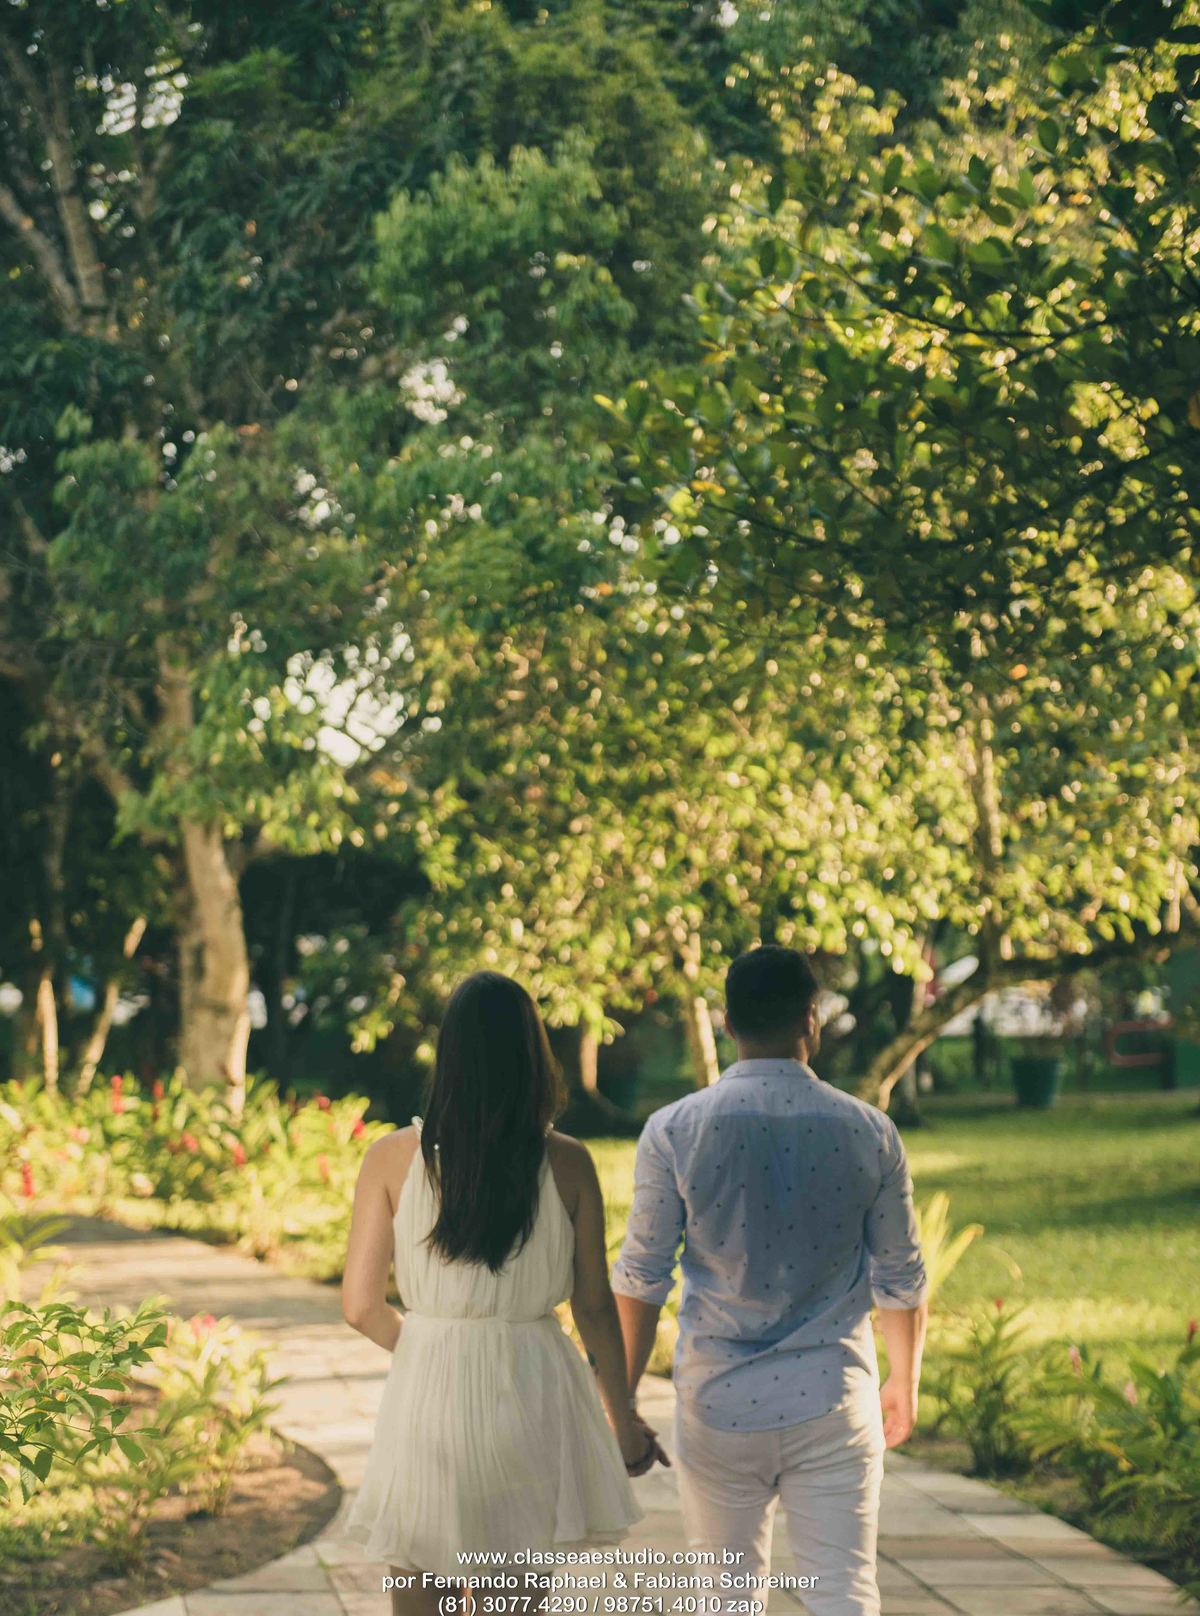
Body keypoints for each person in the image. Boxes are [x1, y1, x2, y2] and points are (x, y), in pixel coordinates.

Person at [612, 945, 929, 1616]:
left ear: (728, 1023)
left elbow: (642, 1278)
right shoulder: (870, 1131)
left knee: (725, 1599)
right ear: (810, 1021)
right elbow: (901, 1275)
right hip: (835, 1398)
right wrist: (904, 1380)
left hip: (716, 1402)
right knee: (845, 1590)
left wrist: (624, 1398)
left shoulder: (674, 1131)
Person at [341, 971, 654, 1615]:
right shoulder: (567, 1163)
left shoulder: (391, 1158)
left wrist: (426, 1342)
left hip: (427, 1389)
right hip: (530, 1385)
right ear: (533, 1058)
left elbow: (360, 1306)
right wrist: (622, 1420)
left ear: (449, 1057)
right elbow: (594, 1307)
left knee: (420, 1592)